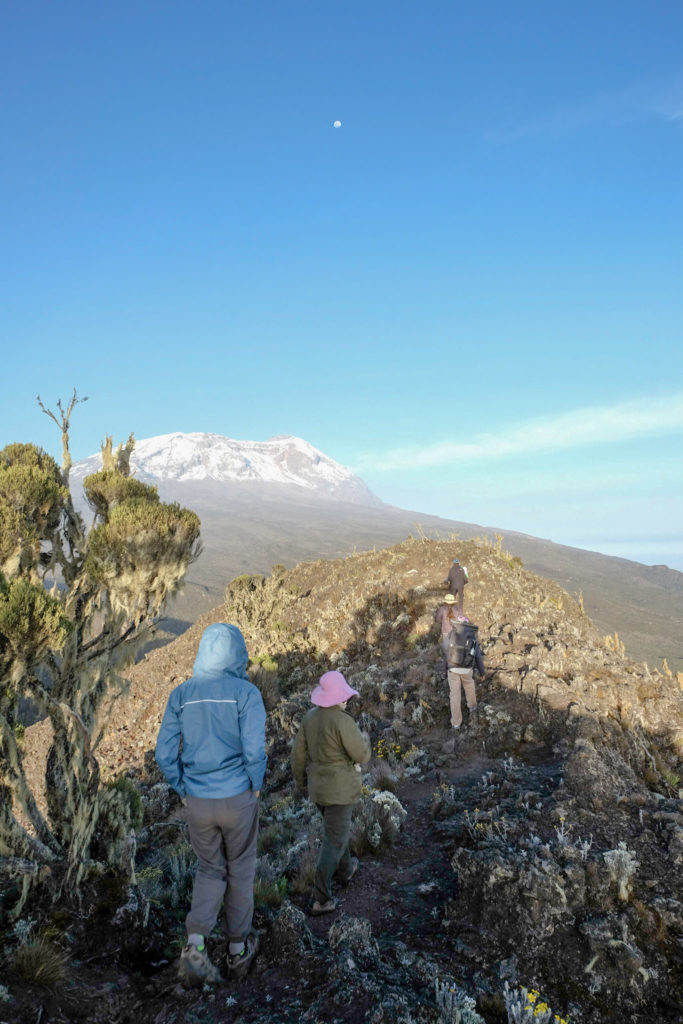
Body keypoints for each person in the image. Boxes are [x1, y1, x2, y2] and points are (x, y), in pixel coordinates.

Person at [155, 623, 267, 988]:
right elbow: (254, 750)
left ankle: (195, 943)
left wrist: (182, 787)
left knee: (208, 870)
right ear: (238, 652)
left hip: (198, 802)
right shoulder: (246, 693)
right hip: (238, 798)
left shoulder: (181, 694)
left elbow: (164, 753)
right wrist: (256, 784)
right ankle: (237, 951)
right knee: (241, 871)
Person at [290, 671, 371, 916]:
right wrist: (365, 742)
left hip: (319, 790)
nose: (346, 699)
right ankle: (321, 898)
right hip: (341, 791)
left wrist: (301, 783)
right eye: (343, 695)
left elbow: (297, 756)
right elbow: (360, 755)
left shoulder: (309, 718)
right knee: (334, 840)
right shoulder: (342, 721)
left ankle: (346, 870)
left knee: (336, 830)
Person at [446, 615, 486, 732]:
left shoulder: (452, 634)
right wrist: (482, 672)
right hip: (467, 668)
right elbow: (477, 656)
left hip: (453, 669)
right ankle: (472, 708)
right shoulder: (472, 636)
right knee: (469, 687)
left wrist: (445, 668)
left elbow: (446, 652)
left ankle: (456, 724)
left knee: (455, 695)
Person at [434, 593, 460, 662]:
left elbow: (437, 619)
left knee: (446, 652)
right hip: (455, 633)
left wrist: (442, 621)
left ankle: (448, 665)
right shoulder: (457, 610)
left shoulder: (442, 609)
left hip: (445, 633)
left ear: (445, 602)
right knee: (454, 651)